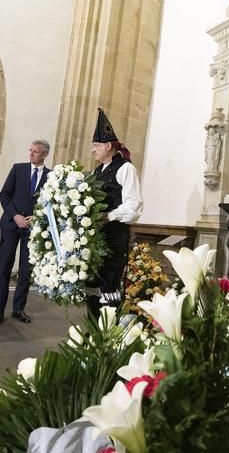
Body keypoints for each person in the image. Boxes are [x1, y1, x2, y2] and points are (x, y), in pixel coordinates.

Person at [86, 108, 143, 319]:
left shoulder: (125, 169)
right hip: (96, 240)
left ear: (108, 145)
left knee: (109, 288)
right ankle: (93, 331)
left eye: (96, 145)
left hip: (114, 238)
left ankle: (108, 336)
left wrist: (108, 216)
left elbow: (134, 205)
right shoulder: (96, 172)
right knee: (92, 286)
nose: (92, 150)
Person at [0, 140, 51, 325]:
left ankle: (18, 309)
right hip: (11, 225)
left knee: (25, 271)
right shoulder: (18, 169)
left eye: (35, 152)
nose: (31, 154)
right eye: (30, 150)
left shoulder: (52, 177)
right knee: (4, 267)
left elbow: (50, 204)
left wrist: (37, 217)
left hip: (32, 230)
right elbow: (4, 194)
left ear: (44, 155)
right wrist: (15, 215)